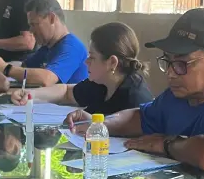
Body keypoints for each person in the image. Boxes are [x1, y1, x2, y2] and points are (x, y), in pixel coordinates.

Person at [65, 8, 204, 179]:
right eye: (169, 62)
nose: (171, 73)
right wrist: (99, 124)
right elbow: (139, 117)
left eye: (182, 63)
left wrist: (165, 144)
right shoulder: (176, 97)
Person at [10, 22, 152, 113]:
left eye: (92, 57)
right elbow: (66, 92)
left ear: (112, 63)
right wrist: (31, 94)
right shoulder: (101, 84)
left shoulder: (135, 99)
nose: (86, 62)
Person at [0, 0, 89, 87]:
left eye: (34, 24)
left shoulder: (72, 48)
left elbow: (46, 79)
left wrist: (5, 68)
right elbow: (24, 66)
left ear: (52, 18)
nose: (31, 30)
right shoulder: (47, 47)